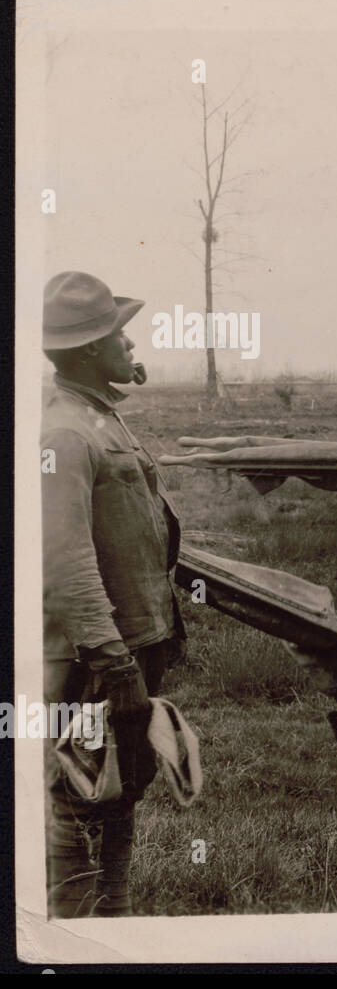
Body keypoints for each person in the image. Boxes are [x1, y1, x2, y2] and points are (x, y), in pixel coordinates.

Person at [41, 271, 186, 917]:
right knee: (79, 790)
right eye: (118, 336)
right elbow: (64, 560)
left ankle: (115, 918)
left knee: (122, 784)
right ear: (87, 351)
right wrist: (113, 659)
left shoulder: (102, 417)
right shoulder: (67, 434)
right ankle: (68, 938)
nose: (130, 345)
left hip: (133, 644)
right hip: (95, 658)